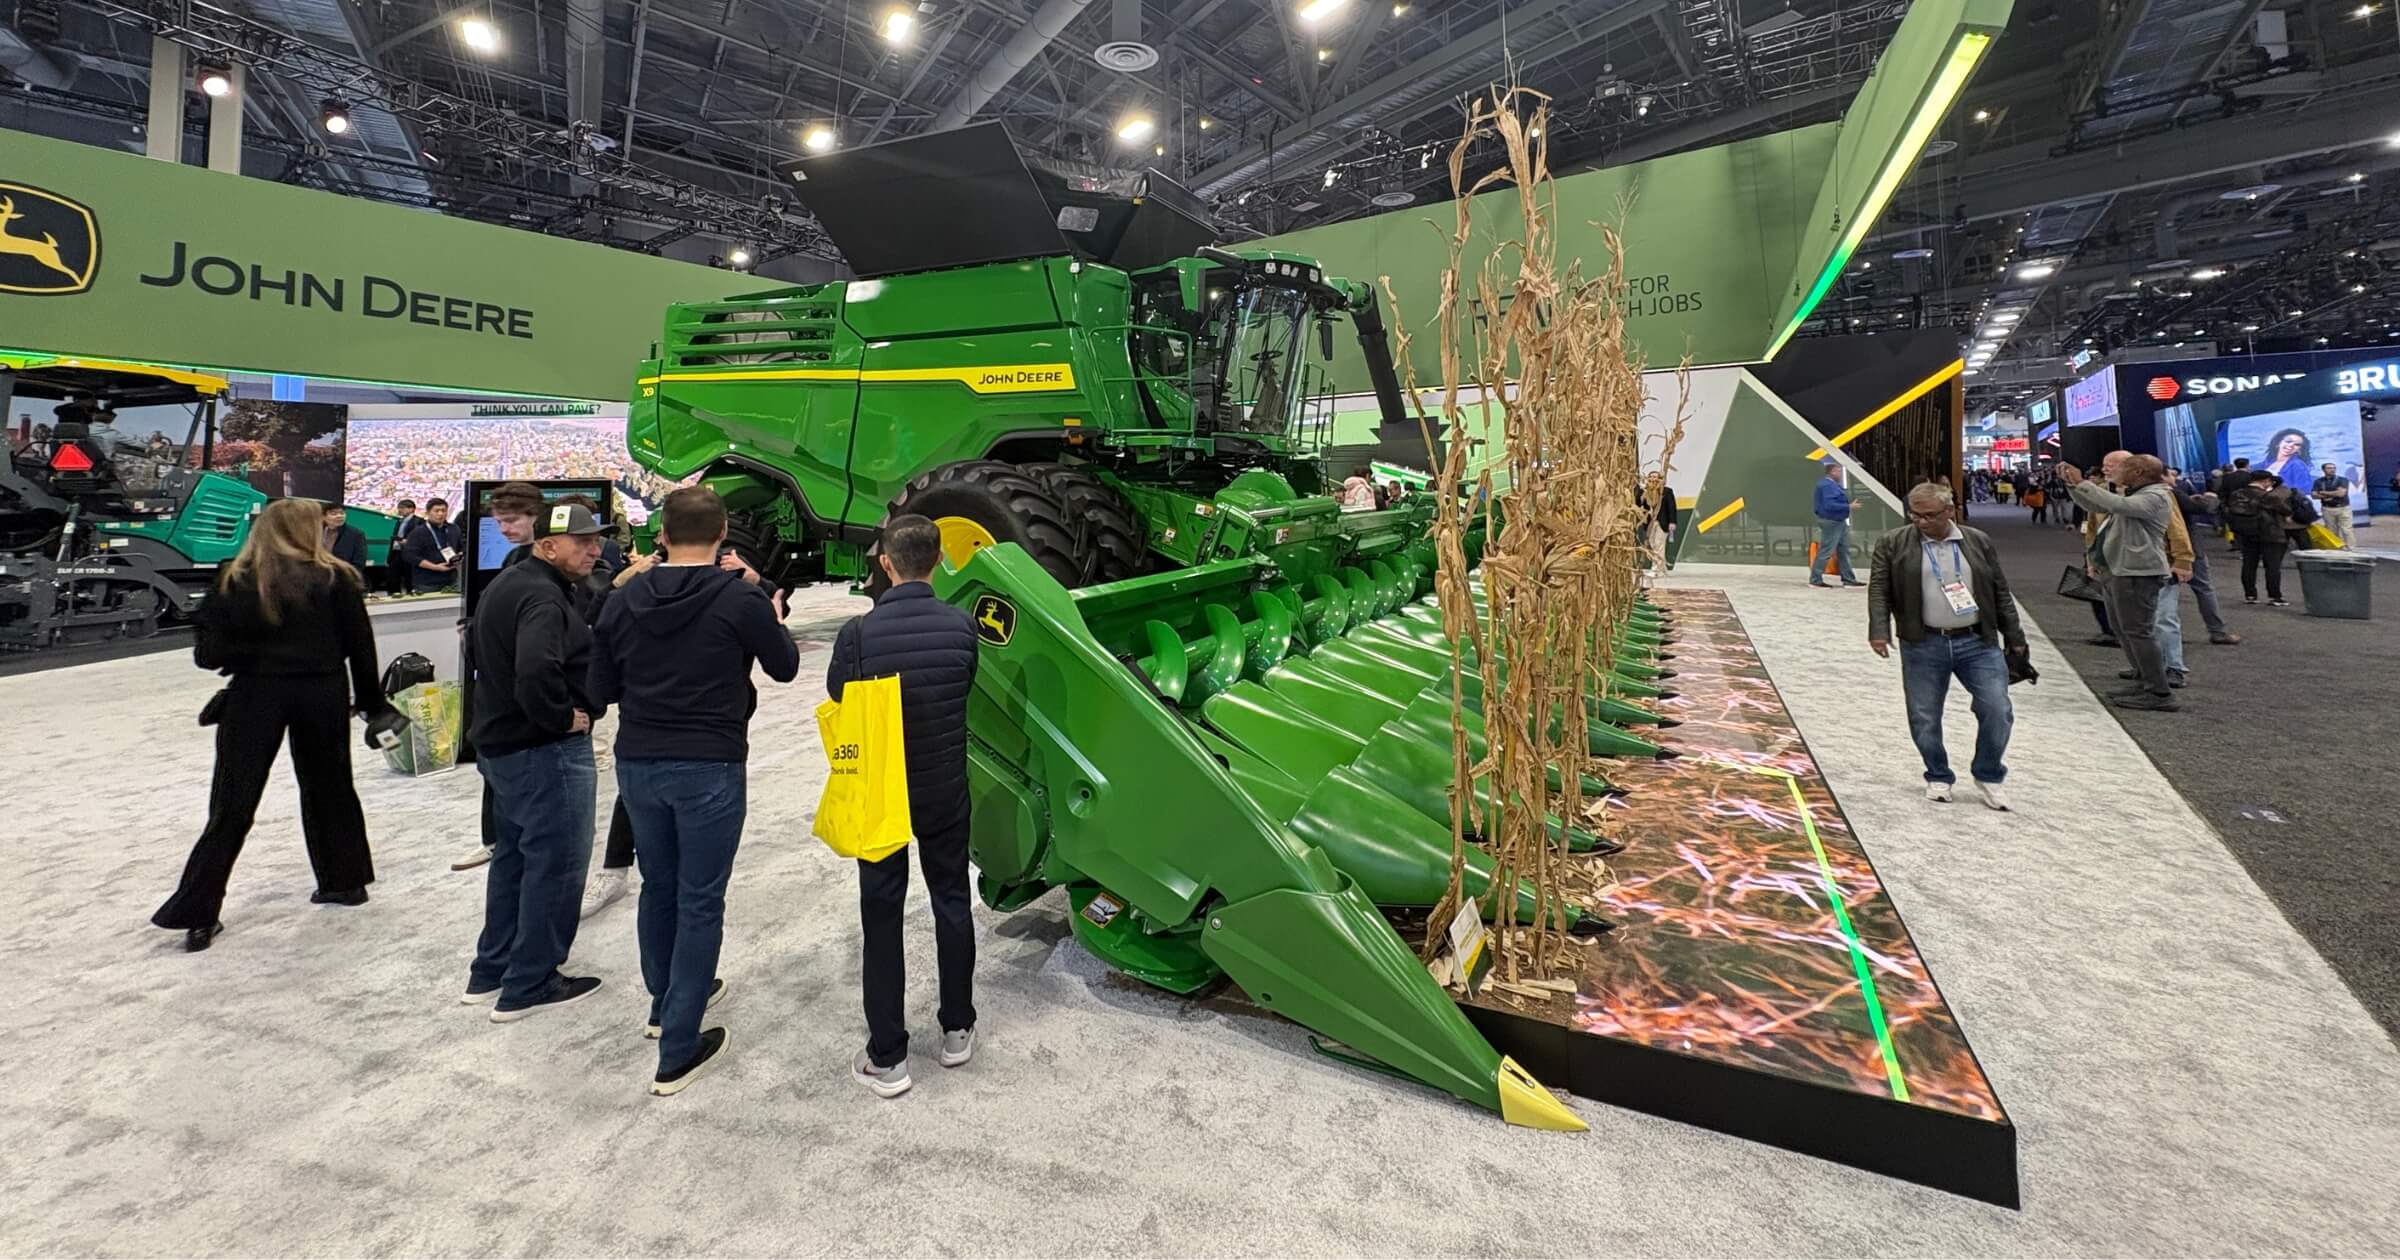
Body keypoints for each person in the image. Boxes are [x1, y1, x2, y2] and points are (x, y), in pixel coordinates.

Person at [588, 486, 801, 1096]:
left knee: (660, 886)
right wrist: (760, 591)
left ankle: (666, 1004)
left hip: (640, 763)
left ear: (661, 533)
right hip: (710, 762)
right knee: (701, 899)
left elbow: (599, 688)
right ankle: (679, 1047)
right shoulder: (739, 598)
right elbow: (784, 666)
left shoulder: (623, 602)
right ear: (723, 532)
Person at [152, 499, 392, 951]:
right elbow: (360, 646)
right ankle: (344, 881)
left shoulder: (233, 577)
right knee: (331, 788)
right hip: (322, 692)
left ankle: (198, 911)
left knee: (231, 803)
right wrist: (372, 705)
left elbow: (209, 655)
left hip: (254, 694)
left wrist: (252, 659)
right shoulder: (337, 576)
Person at [828, 514, 980, 1099]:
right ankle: (957, 1029)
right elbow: (963, 683)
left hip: (880, 794)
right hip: (944, 789)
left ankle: (888, 1057)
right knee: (951, 902)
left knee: (882, 916)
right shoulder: (962, 627)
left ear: (885, 564)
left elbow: (840, 697)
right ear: (938, 560)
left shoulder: (857, 635)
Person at [462, 502, 611, 1021]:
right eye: (582, 542)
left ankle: (493, 968)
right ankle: (531, 981)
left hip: (503, 747)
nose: (594, 549)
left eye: (596, 540)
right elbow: (535, 668)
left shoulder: (513, 584)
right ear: (547, 546)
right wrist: (560, 717)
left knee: (515, 858)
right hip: (540, 751)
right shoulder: (543, 598)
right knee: (558, 863)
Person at [1867, 483, 2027, 810]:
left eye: (1929, 516)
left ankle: (1989, 774)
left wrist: (2015, 638)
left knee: (1997, 708)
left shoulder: (1977, 541)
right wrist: (1879, 629)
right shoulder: (1893, 543)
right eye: (1915, 515)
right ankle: (1937, 773)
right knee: (1924, 716)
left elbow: (2000, 591)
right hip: (1922, 642)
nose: (1921, 522)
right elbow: (1879, 590)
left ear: (1949, 511)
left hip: (1977, 642)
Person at [455, 482, 548, 874]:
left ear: (534, 518)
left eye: (511, 520)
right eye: (500, 522)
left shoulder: (548, 563)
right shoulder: (515, 560)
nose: (506, 528)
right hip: (502, 685)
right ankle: (496, 840)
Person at [2062, 453, 2178, 710]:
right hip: (2120, 570)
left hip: (2136, 573)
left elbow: (2114, 505)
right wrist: (2073, 485)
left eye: (2120, 467)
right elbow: (2098, 505)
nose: (2110, 472)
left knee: (2138, 631)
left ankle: (2159, 692)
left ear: (2138, 473)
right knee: (2125, 629)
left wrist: (2082, 482)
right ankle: (2143, 679)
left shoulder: (2156, 496)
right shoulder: (2135, 493)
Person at [2227, 472, 2297, 606]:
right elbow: (2286, 510)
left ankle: (2250, 595)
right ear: (2266, 481)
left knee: (2248, 564)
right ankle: (2275, 596)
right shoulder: (2268, 496)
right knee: (2272, 566)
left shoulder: (2236, 494)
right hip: (2270, 534)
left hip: (2246, 533)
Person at [1809, 459, 1863, 588]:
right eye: (1838, 471)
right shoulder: (1827, 485)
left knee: (1843, 551)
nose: (1840, 474)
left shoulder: (1831, 485)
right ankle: (1815, 579)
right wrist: (1849, 506)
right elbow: (1830, 505)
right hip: (1831, 522)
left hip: (1839, 522)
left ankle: (1848, 579)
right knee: (1826, 551)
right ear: (1832, 472)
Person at [401, 496, 462, 592]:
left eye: (443, 510)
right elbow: (410, 556)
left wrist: (458, 559)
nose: (440, 514)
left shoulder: (454, 529)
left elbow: (460, 549)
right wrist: (435, 567)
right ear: (428, 513)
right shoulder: (418, 532)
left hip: (452, 580)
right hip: (427, 582)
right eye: (436, 511)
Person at [2312, 462, 2354, 548]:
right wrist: (2334, 493)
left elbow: (2341, 494)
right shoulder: (2318, 481)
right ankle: (2336, 548)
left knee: (2347, 530)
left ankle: (2351, 548)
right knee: (2331, 531)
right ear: (2323, 470)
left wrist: (2323, 492)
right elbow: (2314, 495)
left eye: (2334, 468)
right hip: (2327, 509)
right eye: (2329, 468)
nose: (2332, 470)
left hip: (2343, 508)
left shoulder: (2342, 480)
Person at [2259, 427, 2313, 492]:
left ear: (2299, 450)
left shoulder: (2297, 465)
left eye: (2297, 444)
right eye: (2288, 441)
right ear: (2278, 443)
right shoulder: (2267, 462)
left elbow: (2304, 490)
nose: (2291, 445)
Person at [322, 502, 368, 573]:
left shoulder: (356, 534)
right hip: (319, 575)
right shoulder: (317, 531)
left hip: (343, 577)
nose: (339, 516)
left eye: (342, 513)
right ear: (323, 517)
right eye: (334, 514)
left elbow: (359, 562)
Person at [386, 499, 419, 595]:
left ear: (411, 509)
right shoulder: (399, 521)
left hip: (409, 553)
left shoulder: (418, 521)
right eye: (399, 508)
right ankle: (394, 595)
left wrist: (408, 542)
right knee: (393, 577)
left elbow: (418, 538)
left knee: (409, 577)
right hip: (396, 552)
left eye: (402, 508)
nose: (399, 510)